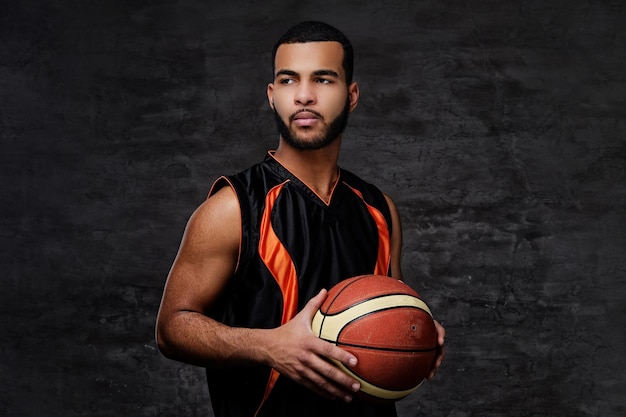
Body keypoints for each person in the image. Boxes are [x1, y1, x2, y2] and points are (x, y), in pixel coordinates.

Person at [156, 21, 445, 417]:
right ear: (272, 96)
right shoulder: (232, 208)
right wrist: (268, 346)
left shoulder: (380, 209)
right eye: (289, 80)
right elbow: (171, 329)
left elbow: (386, 310)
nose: (305, 96)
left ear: (352, 94)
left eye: (324, 79)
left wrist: (416, 332)